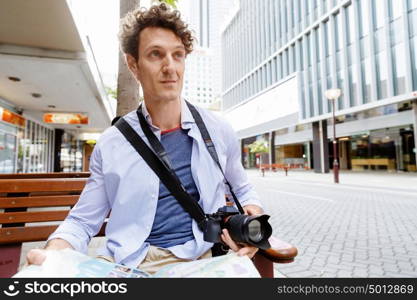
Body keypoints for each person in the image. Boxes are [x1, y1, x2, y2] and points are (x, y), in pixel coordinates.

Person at [26, 3, 264, 274]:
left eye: (178, 55)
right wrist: (51, 255)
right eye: (156, 54)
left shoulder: (217, 130)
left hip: (202, 260)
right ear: (133, 64)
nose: (170, 67)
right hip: (128, 264)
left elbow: (243, 189)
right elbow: (82, 221)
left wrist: (251, 220)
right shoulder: (112, 143)